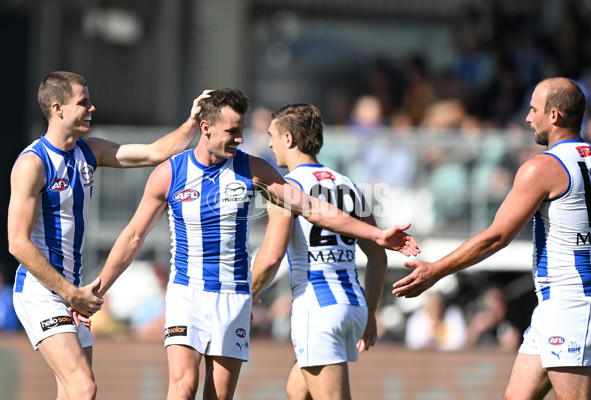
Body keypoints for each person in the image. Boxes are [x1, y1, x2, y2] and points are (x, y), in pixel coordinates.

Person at [93, 89, 420, 400]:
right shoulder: (169, 173)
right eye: (233, 131)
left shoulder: (254, 170)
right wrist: (99, 288)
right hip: (186, 292)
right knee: (183, 387)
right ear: (205, 128)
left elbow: (312, 208)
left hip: (233, 296)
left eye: (243, 130)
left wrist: (375, 234)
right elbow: (134, 235)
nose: (241, 139)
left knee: (219, 395)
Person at [392, 77, 591, 400]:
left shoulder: (543, 167)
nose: (528, 118)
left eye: (534, 110)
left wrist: (436, 270)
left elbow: (497, 237)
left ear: (555, 116)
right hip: (558, 306)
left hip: (571, 305)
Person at [8, 71, 209, 400]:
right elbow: (17, 243)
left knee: (72, 392)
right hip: (41, 292)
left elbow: (154, 153)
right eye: (83, 102)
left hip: (72, 291)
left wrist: (192, 121)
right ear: (57, 109)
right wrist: (70, 292)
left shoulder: (91, 151)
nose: (92, 108)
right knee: (84, 388)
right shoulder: (33, 164)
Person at [251, 103, 389, 400]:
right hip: (353, 305)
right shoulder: (349, 184)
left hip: (318, 306)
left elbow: (272, 256)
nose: (270, 143)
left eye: (271, 135)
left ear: (288, 139)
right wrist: (371, 311)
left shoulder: (285, 188)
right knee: (296, 390)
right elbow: (377, 254)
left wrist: (247, 293)